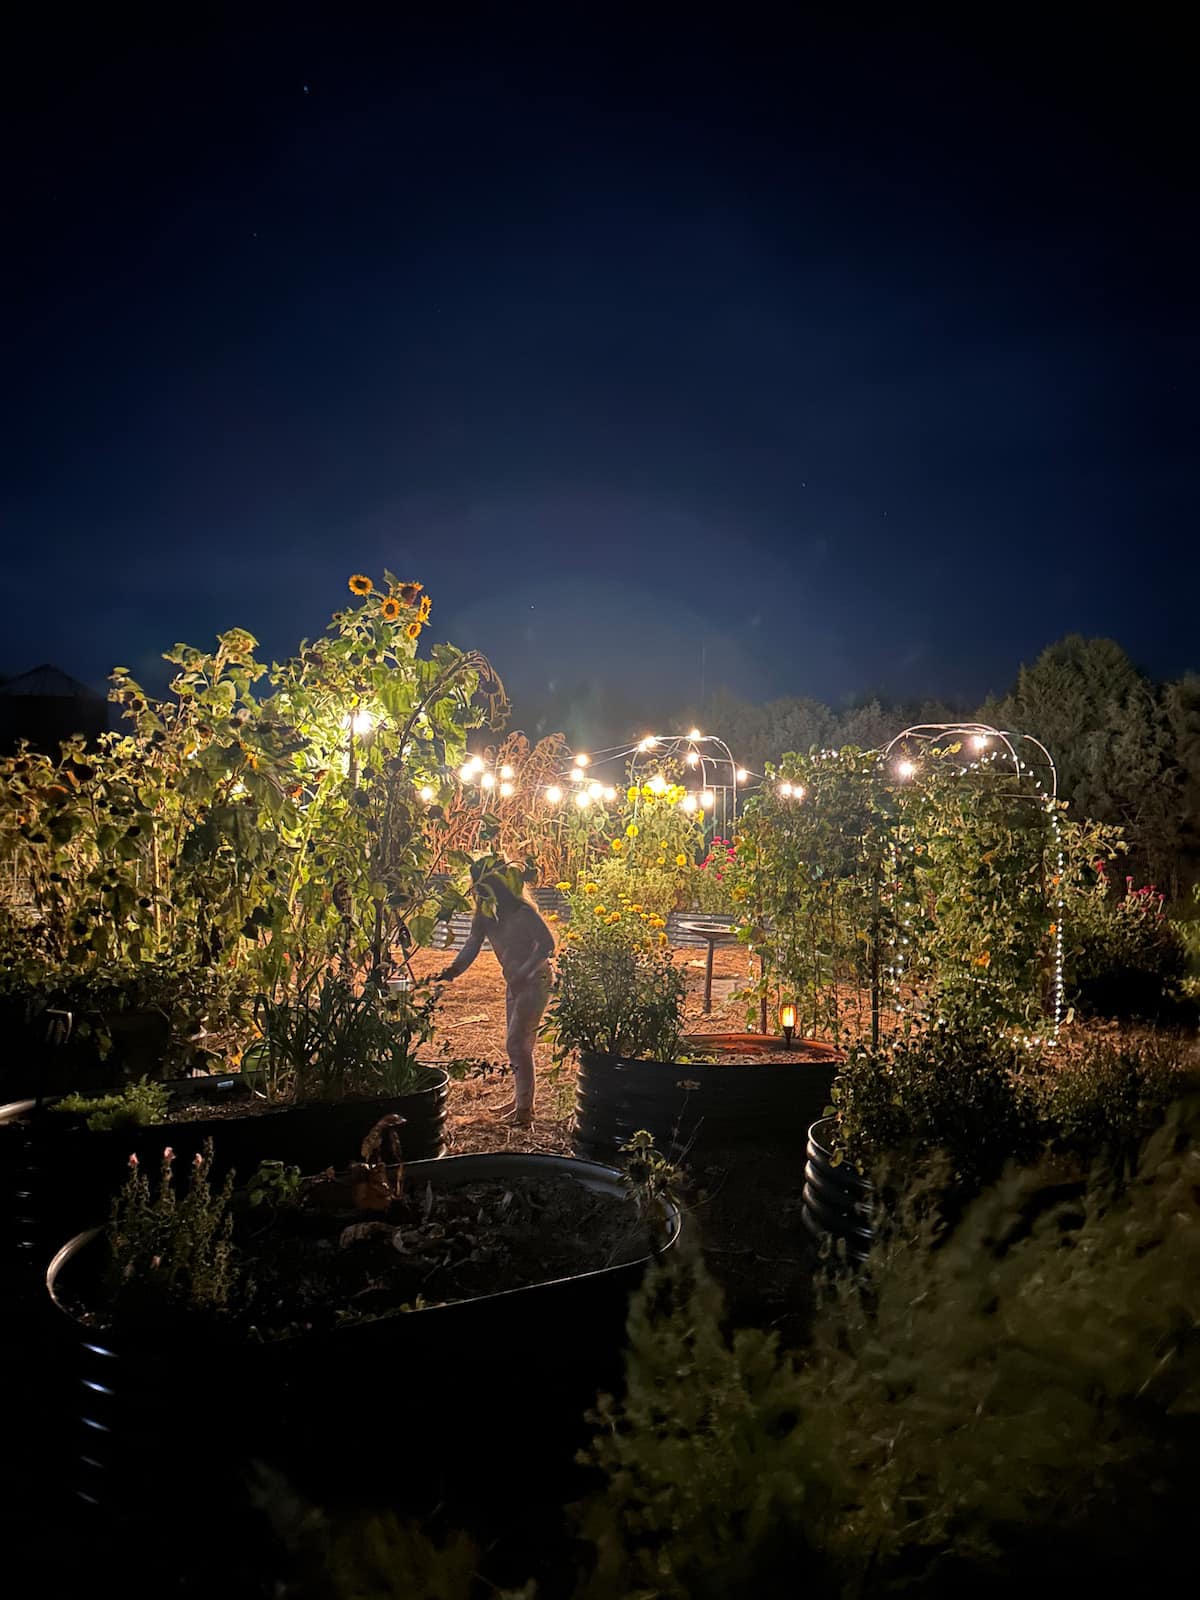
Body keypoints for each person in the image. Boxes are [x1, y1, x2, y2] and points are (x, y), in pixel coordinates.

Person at [438, 858, 555, 1126]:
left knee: (517, 1044)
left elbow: (547, 944)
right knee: (519, 1045)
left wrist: (524, 971)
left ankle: (524, 1111)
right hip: (516, 982)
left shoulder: (523, 913)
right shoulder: (486, 915)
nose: (478, 892)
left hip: (535, 979)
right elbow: (472, 943)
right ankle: (521, 1101)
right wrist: (453, 970)